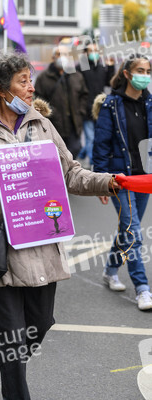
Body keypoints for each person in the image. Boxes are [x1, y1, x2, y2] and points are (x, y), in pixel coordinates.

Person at [0, 52, 120, 400]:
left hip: (42, 242)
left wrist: (107, 181)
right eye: (22, 81)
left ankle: (9, 360)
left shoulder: (41, 124)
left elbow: (70, 172)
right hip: (1, 249)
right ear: (0, 89)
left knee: (40, 323)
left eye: (30, 78)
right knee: (11, 331)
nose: (31, 86)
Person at [92, 53, 152, 311]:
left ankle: (110, 269)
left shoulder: (150, 103)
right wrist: (101, 180)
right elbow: (101, 143)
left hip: (145, 178)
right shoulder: (111, 104)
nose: (145, 76)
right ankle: (142, 288)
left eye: (148, 71)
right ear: (127, 73)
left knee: (127, 230)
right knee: (133, 233)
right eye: (140, 70)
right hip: (121, 179)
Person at [34, 45, 88, 159]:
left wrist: (81, 111)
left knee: (75, 149)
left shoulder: (76, 76)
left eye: (65, 54)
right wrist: (48, 114)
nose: (62, 57)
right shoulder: (43, 78)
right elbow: (37, 99)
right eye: (59, 54)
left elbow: (84, 95)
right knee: (56, 155)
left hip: (74, 123)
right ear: (53, 57)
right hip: (54, 123)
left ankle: (70, 175)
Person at [77, 42, 115, 167]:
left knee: (98, 136)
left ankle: (82, 153)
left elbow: (109, 83)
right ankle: (93, 164)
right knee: (90, 137)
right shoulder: (81, 67)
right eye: (90, 50)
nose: (94, 53)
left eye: (96, 50)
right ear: (85, 53)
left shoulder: (102, 67)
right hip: (86, 108)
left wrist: (111, 67)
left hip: (99, 107)